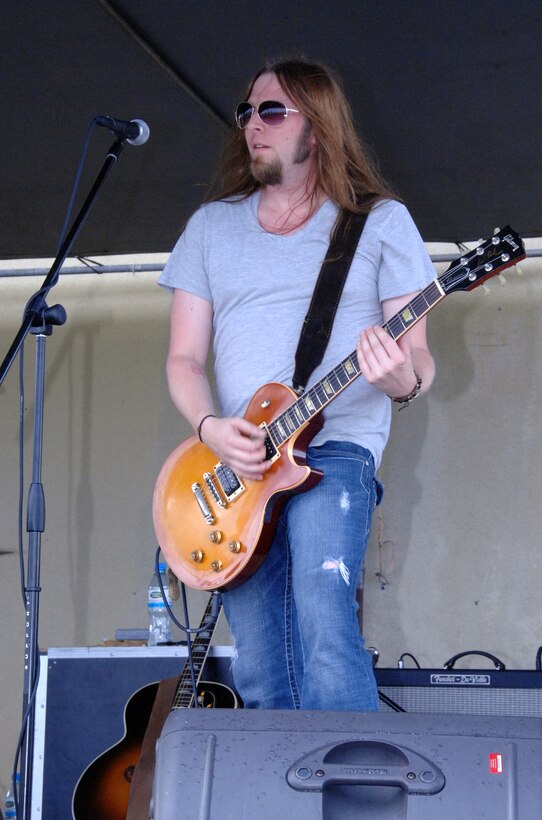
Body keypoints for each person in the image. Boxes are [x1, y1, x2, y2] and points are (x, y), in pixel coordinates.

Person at [158, 58, 435, 711]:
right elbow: (183, 361)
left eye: (272, 111)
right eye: (246, 111)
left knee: (324, 623)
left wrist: (401, 380)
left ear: (319, 124)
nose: (252, 124)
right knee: (259, 666)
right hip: (239, 467)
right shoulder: (210, 228)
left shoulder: (378, 222)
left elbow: (419, 356)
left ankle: (353, 775)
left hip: (334, 451)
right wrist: (209, 428)